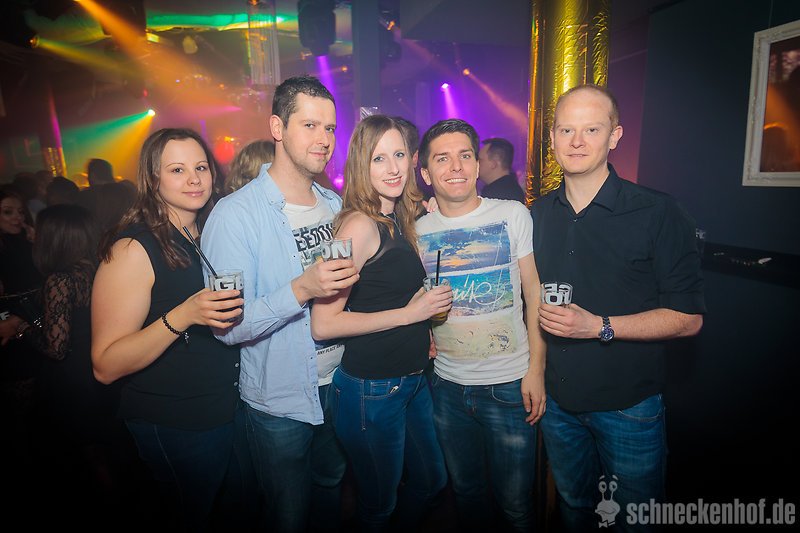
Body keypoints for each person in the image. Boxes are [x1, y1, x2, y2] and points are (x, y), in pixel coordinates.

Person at [531, 84, 705, 532]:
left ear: (615, 135)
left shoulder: (658, 212)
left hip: (628, 407)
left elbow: (688, 319)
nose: (576, 141)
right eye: (565, 130)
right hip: (558, 404)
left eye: (591, 129)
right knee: (573, 508)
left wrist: (598, 326)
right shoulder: (535, 215)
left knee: (635, 520)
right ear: (551, 138)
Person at [201, 75, 358, 533]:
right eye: (309, 126)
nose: (324, 139)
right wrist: (301, 289)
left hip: (341, 385)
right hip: (280, 401)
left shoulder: (335, 205)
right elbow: (227, 327)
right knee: (287, 516)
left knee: (331, 492)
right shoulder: (234, 215)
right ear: (277, 128)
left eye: (330, 128)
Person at [91, 128, 247, 531]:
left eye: (201, 167)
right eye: (177, 170)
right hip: (176, 421)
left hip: (228, 410)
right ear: (153, 179)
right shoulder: (132, 249)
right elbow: (105, 365)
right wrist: (184, 315)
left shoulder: (211, 233)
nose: (194, 179)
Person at [311, 115, 451, 531]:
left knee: (431, 481)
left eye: (399, 155)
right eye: (379, 158)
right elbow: (323, 324)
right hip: (371, 390)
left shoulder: (398, 217)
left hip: (411, 381)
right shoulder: (356, 226)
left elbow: (387, 291)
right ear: (361, 165)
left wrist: (420, 326)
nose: (393, 168)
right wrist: (411, 315)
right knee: (378, 506)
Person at [415, 119, 547, 532]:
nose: (455, 166)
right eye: (442, 158)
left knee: (516, 505)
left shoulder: (512, 214)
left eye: (464, 156)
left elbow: (535, 294)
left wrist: (536, 370)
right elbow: (416, 299)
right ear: (426, 173)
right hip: (446, 388)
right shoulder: (417, 231)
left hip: (509, 386)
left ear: (476, 165)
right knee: (467, 495)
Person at [477, 137, 526, 203]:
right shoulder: (512, 188)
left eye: (480, 160)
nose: (476, 164)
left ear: (493, 164)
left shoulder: (496, 194)